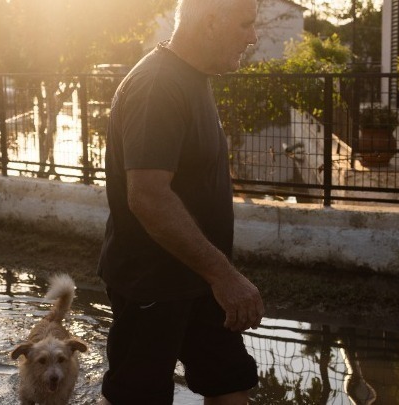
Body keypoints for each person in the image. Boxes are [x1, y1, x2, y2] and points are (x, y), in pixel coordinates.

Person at [97, 0, 264, 404]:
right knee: (138, 397)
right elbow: (148, 196)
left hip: (199, 280)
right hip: (153, 284)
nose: (253, 37)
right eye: (245, 24)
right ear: (210, 23)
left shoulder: (193, 78)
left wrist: (215, 276)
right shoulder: (158, 86)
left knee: (230, 383)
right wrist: (224, 276)